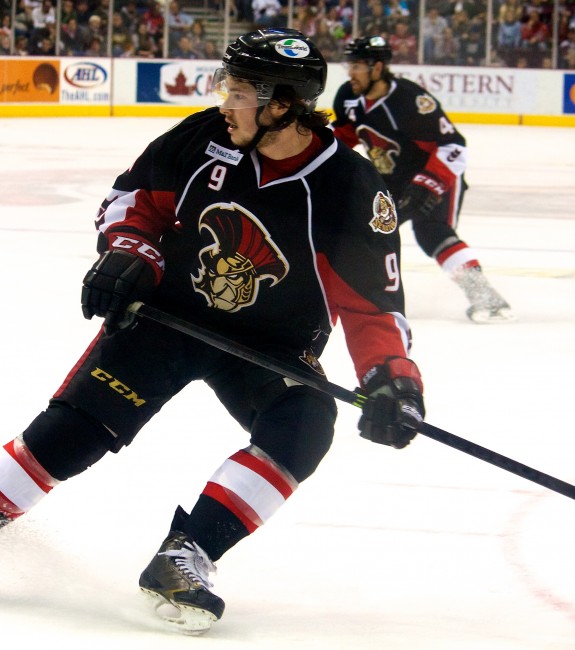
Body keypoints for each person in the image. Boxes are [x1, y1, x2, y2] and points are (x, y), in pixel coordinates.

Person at [0, 29, 424, 634]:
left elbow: (373, 307)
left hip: (269, 347)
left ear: (282, 104)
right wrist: (130, 252)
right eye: (226, 84)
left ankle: (187, 553)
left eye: (241, 90)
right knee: (75, 432)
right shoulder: (204, 136)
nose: (225, 101)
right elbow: (133, 200)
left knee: (304, 425)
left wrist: (392, 380)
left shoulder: (349, 188)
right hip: (168, 318)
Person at [332, 36, 514, 323]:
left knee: (432, 232)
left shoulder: (409, 100)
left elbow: (453, 145)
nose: (350, 72)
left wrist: (427, 184)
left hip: (435, 175)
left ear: (377, 67)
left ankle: (485, 297)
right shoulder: (348, 96)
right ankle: (369, 294)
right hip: (391, 180)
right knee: (368, 229)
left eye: (357, 66)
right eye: (349, 64)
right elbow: (344, 136)